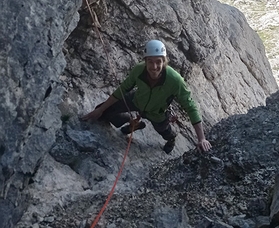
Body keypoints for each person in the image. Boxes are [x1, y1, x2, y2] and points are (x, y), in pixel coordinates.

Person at [82, 39, 212, 154]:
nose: (154, 67)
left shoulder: (175, 80)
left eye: (158, 62)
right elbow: (123, 89)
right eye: (150, 61)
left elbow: (190, 106)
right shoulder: (139, 70)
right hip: (137, 100)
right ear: (145, 61)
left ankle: (171, 138)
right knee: (103, 111)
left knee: (164, 132)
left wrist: (201, 138)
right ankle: (132, 122)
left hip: (157, 112)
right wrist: (100, 109)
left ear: (164, 62)